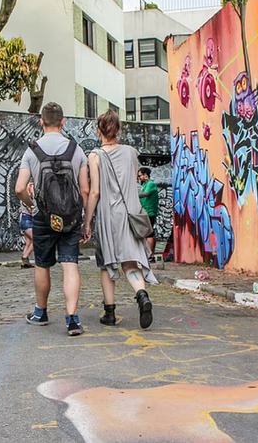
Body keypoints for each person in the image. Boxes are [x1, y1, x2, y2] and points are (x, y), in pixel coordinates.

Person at [15, 102, 90, 336]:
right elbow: (85, 189)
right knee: (70, 265)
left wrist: (33, 206)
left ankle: (41, 312)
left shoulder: (31, 150)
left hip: (43, 217)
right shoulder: (76, 149)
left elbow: (19, 188)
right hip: (71, 217)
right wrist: (86, 220)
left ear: (41, 121)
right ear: (63, 122)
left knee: (42, 264)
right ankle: (72, 319)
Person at [83, 110, 158, 329]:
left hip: (108, 215)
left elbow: (95, 192)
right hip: (131, 213)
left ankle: (110, 313)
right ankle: (141, 294)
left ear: (99, 131)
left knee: (107, 264)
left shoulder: (94, 156)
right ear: (119, 130)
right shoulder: (132, 152)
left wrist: (87, 221)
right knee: (130, 261)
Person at [137, 167, 159, 261]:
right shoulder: (145, 184)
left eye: (140, 175)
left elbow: (146, 194)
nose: (139, 178)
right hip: (144, 211)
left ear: (146, 175)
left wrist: (133, 195)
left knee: (149, 233)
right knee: (145, 233)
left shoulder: (151, 184)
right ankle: (147, 254)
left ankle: (151, 255)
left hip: (149, 211)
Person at [19, 184, 35, 268]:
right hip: (27, 220)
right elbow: (32, 210)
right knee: (36, 240)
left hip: (25, 219)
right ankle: (24, 257)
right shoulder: (28, 198)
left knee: (29, 243)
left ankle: (25, 263)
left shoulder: (26, 198)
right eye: (32, 187)